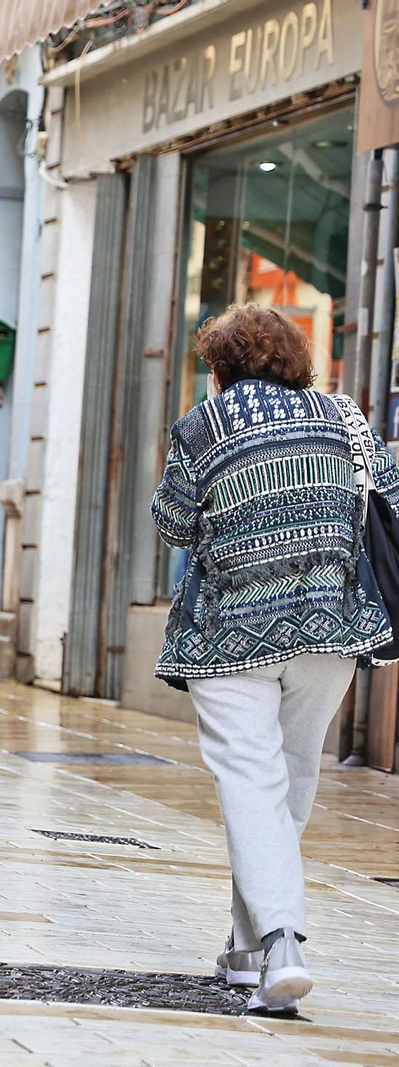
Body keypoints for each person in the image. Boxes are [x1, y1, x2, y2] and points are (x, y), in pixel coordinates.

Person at [151, 303, 399, 1015]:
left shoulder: (205, 425)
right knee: (286, 783)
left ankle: (284, 942)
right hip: (331, 630)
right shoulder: (343, 417)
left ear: (221, 369)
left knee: (251, 783)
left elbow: (170, 524)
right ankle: (246, 948)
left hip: (232, 635)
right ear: (295, 359)